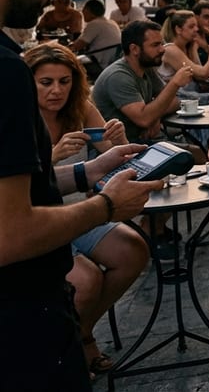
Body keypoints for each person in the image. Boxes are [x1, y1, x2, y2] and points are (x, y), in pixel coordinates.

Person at [0, 0, 159, 390]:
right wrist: (106, 205)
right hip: (23, 326)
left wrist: (87, 171)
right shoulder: (6, 72)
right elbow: (11, 233)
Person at [23, 43, 149, 377]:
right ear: (27, 82)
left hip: (79, 211)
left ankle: (79, 331)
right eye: (45, 82)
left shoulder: (79, 107)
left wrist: (118, 139)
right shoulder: (16, 118)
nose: (56, 90)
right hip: (38, 220)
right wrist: (51, 155)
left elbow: (111, 155)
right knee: (86, 280)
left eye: (64, 81)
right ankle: (77, 347)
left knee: (133, 250)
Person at [92, 20, 194, 143]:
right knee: (193, 154)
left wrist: (156, 117)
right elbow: (144, 119)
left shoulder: (146, 68)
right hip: (121, 148)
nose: (162, 49)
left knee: (195, 149)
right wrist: (175, 83)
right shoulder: (118, 76)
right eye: (155, 45)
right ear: (134, 49)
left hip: (145, 140)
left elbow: (174, 101)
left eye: (162, 44)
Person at [159, 9, 209, 92]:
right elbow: (204, 72)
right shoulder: (170, 50)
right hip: (178, 98)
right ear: (178, 29)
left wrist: (193, 50)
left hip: (190, 94)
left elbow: (201, 77)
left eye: (196, 26)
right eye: (191, 26)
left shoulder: (187, 47)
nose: (196, 29)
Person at [70, 0, 122, 70]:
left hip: (98, 62)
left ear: (88, 11)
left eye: (84, 9)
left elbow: (77, 46)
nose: (82, 12)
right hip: (112, 61)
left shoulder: (94, 24)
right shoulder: (112, 23)